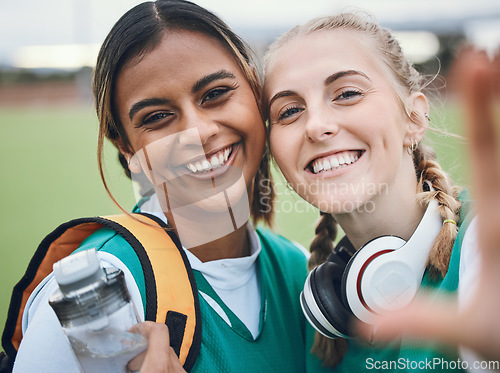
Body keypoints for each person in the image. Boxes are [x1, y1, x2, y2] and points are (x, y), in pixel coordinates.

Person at [10, 1, 329, 372]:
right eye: (158, 117)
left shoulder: (297, 269)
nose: (197, 132)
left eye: (215, 93)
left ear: (256, 93)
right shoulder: (98, 297)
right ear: (127, 148)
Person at [263, 12, 498, 372]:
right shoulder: (309, 321)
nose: (316, 126)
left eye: (347, 93)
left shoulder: (483, 251)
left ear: (415, 118)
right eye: (290, 111)